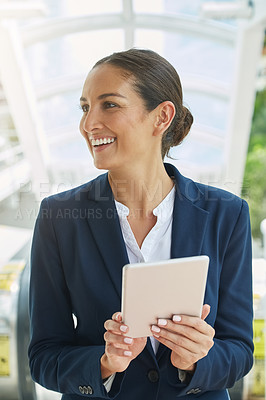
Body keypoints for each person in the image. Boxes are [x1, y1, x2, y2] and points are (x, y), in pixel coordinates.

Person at [28, 48, 253, 400]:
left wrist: (194, 360)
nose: (89, 124)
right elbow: (43, 357)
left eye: (110, 105)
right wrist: (104, 363)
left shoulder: (227, 214)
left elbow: (240, 350)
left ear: (162, 116)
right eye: (86, 108)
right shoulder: (59, 217)